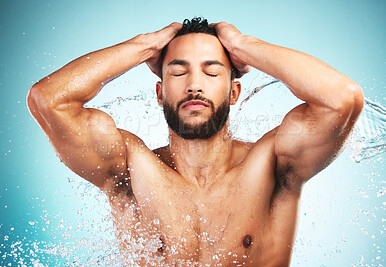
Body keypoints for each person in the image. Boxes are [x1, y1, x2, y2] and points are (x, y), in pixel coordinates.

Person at [27, 17, 364, 266]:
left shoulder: (272, 163)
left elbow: (341, 100)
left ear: (234, 92)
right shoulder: (130, 168)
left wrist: (243, 45)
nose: (194, 85)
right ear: (160, 93)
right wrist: (144, 45)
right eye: (178, 71)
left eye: (212, 71)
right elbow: (48, 100)